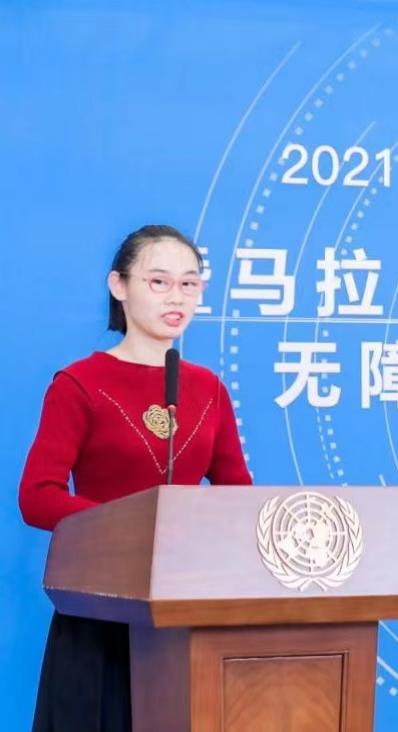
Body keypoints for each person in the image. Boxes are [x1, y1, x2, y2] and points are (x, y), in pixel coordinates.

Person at [18, 224, 252, 731]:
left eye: (189, 284)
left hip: (186, 605)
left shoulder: (208, 389)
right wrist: (137, 528)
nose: (177, 297)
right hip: (101, 604)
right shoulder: (80, 383)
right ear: (119, 285)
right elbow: (37, 497)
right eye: (159, 282)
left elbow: (238, 498)